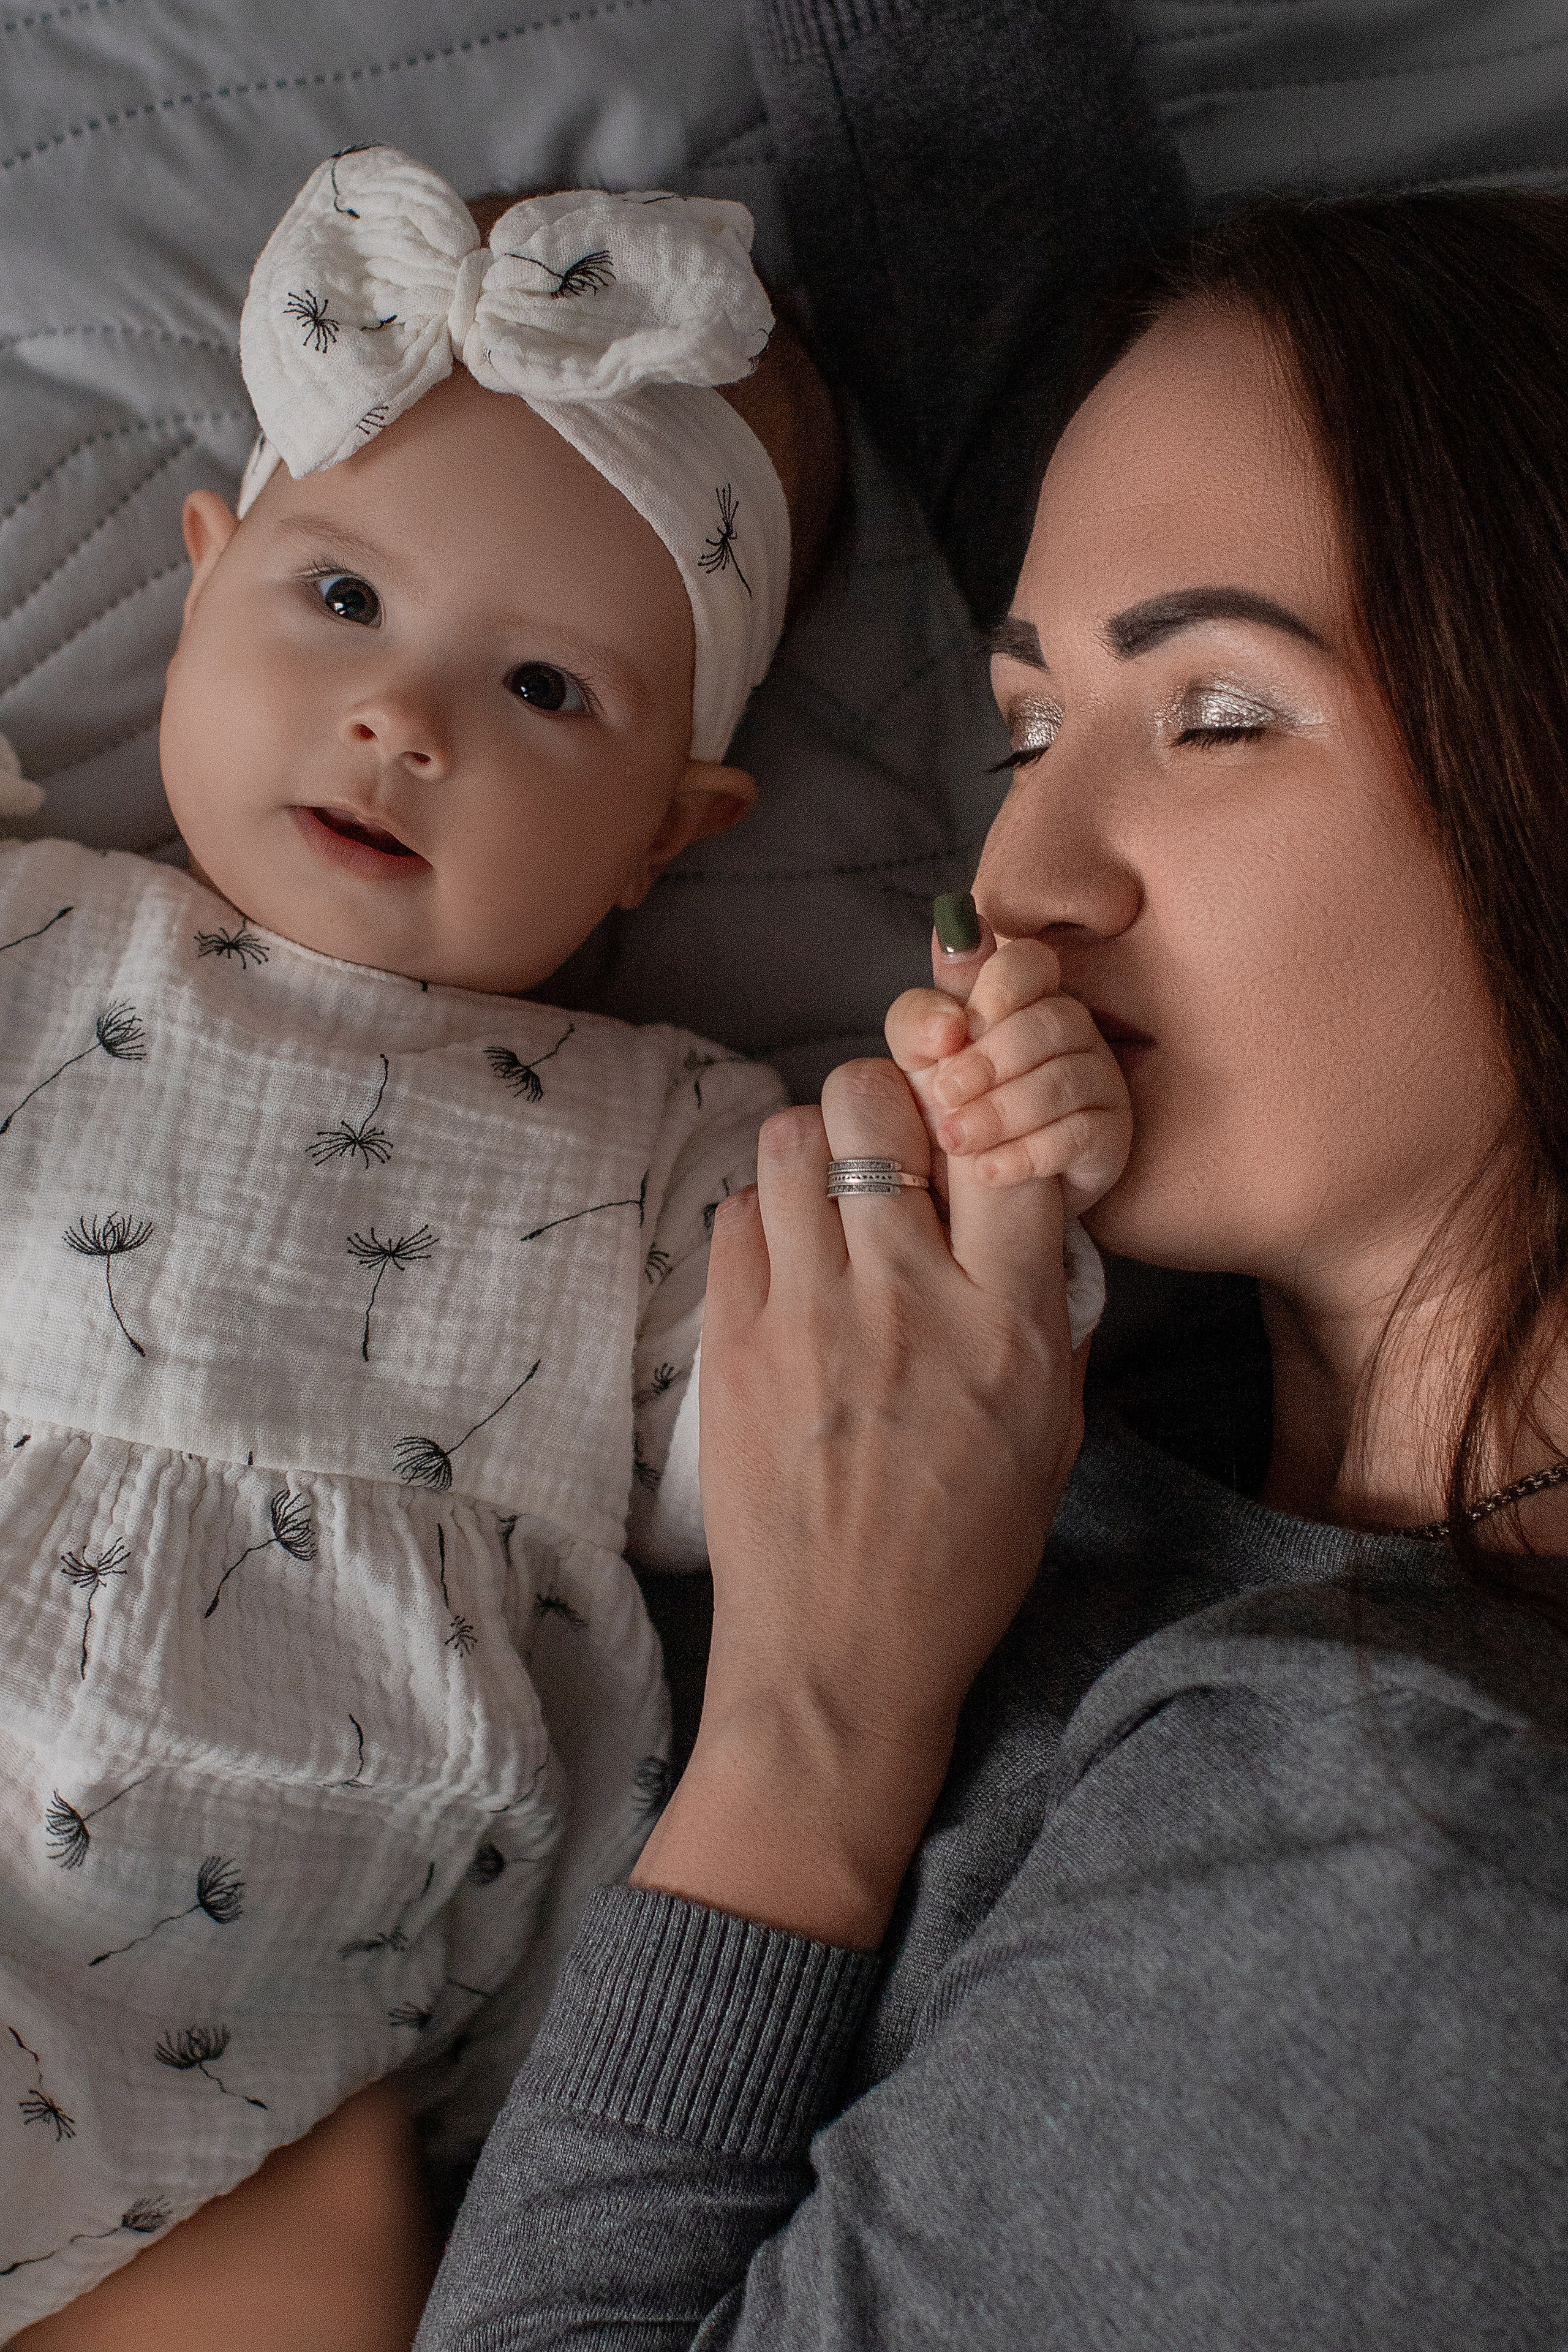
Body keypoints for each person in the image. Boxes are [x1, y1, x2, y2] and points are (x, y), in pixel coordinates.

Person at [410, 7, 1568, 2347]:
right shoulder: (1180, 1409)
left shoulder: (1413, 1886)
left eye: (1219, 715)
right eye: (1027, 724)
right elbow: (1101, 353)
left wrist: (818, 1726)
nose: (1017, 878)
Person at [0, 148, 826, 2338]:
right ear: (201, 581)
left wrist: (990, 1164)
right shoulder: (39, 935)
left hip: (293, 2012)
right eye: (340, 601)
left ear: (673, 829)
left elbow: (837, 1444)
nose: (408, 720)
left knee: (344, 2237)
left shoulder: (670, 1152)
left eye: (547, 691)